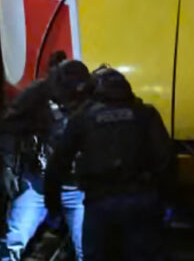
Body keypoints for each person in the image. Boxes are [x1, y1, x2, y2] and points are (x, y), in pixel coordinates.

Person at [46, 66, 175, 261]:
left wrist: (53, 206)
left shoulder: (83, 117)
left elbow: (58, 163)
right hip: (141, 200)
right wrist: (167, 199)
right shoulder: (145, 114)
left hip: (99, 202)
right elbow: (166, 159)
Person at [0, 55, 92, 261]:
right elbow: (7, 128)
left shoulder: (97, 100)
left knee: (87, 249)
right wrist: (9, 165)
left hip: (78, 188)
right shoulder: (38, 94)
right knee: (14, 240)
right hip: (39, 182)